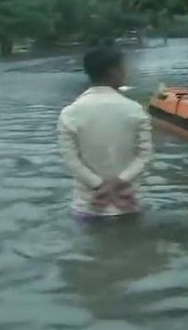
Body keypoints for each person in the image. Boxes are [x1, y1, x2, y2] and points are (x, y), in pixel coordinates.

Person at [57, 46, 153, 219]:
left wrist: (99, 185)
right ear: (113, 71)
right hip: (128, 202)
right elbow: (145, 156)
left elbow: (71, 160)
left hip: (90, 204)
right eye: (124, 67)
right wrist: (119, 182)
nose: (126, 71)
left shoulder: (69, 113)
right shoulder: (135, 110)